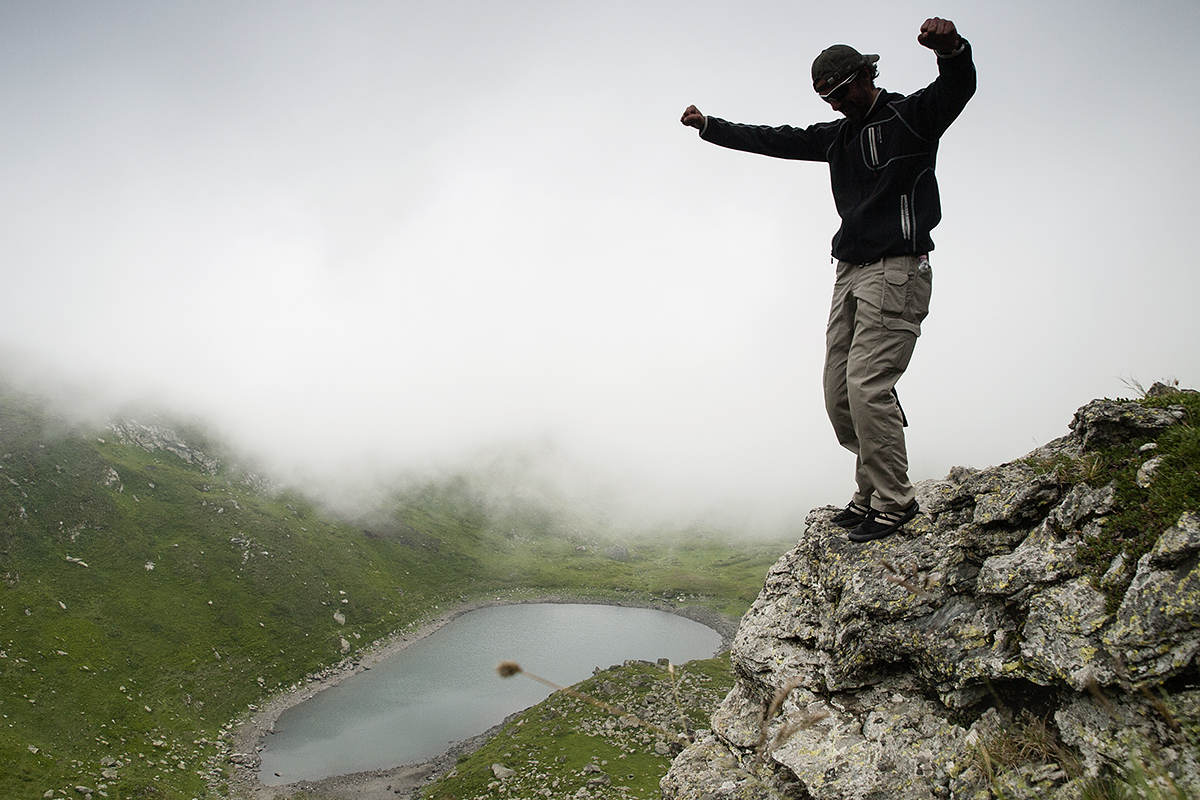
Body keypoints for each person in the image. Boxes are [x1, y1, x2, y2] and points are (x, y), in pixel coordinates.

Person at [681, 18, 975, 542]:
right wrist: (711, 127)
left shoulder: (911, 117)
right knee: (839, 395)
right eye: (826, 98)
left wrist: (951, 49)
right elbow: (775, 139)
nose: (836, 105)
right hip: (849, 272)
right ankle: (869, 492)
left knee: (867, 387)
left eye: (840, 93)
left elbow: (957, 87)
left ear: (865, 76)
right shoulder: (838, 136)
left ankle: (895, 502)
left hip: (897, 269)